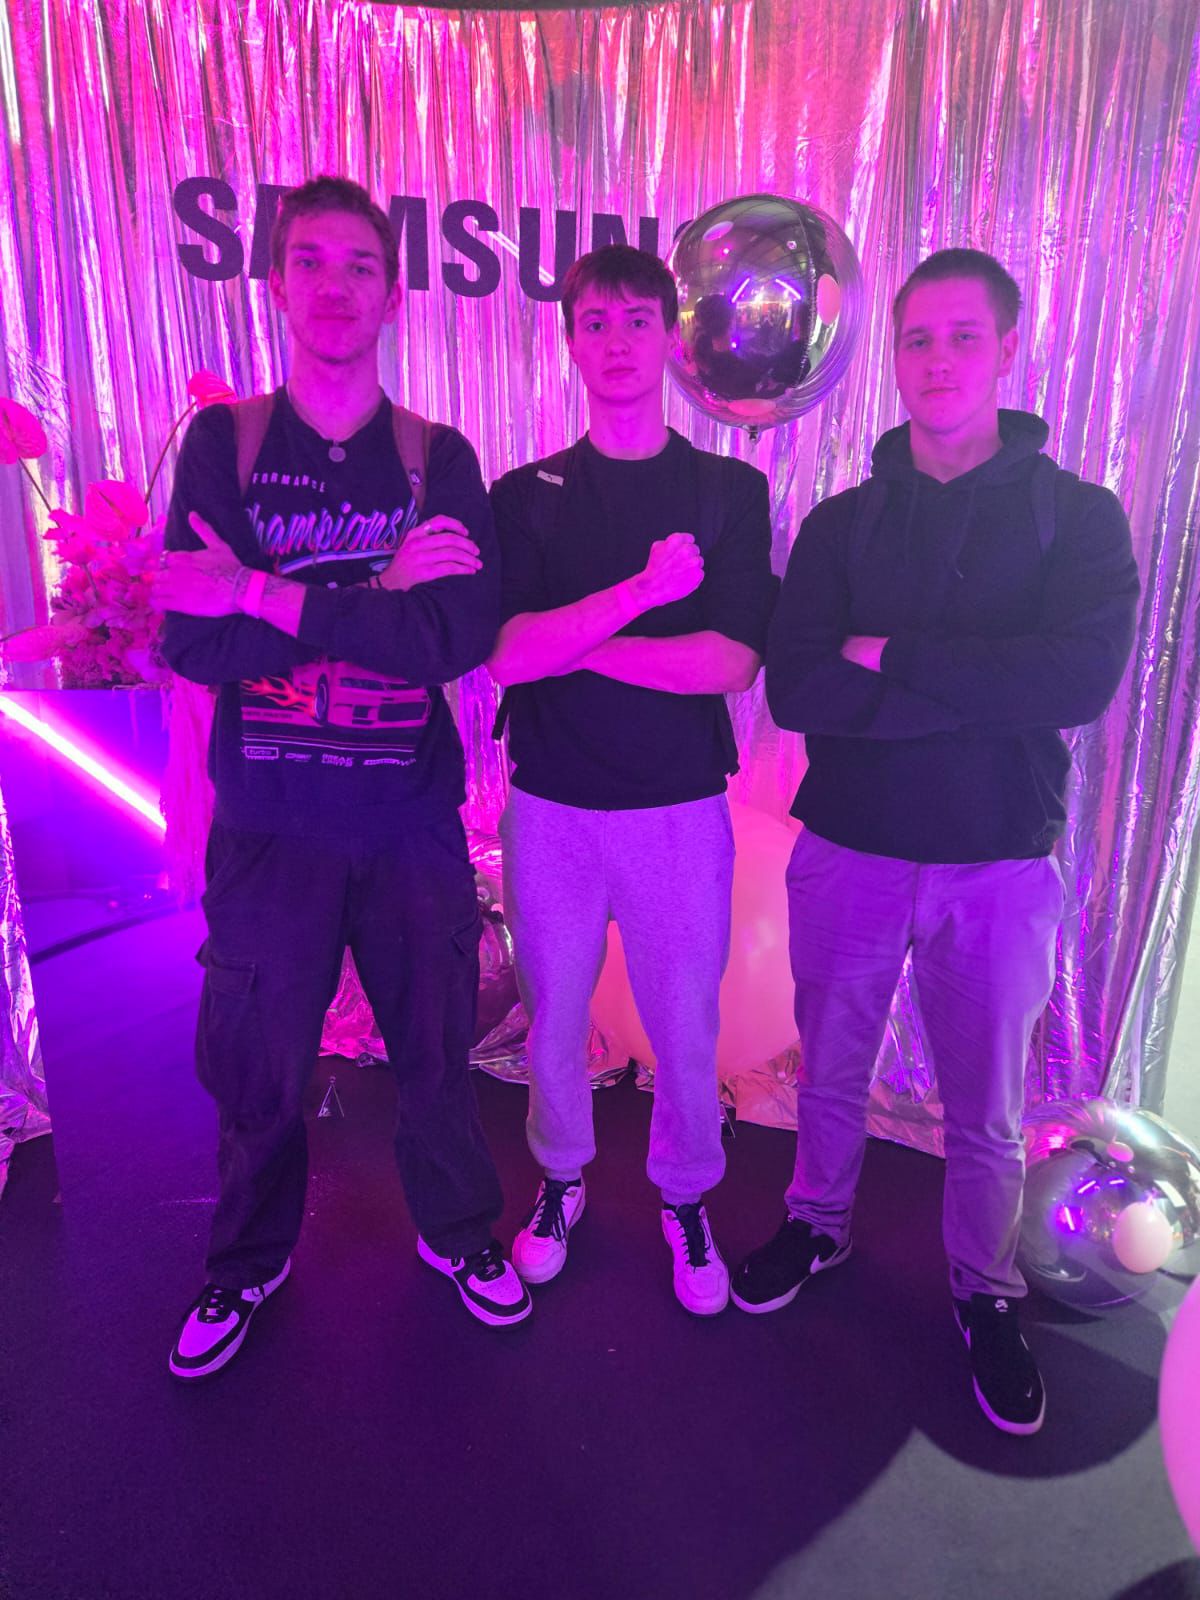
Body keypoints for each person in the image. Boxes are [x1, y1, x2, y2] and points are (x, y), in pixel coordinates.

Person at [731, 248, 1139, 1433]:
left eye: (964, 337)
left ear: (1007, 350)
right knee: (830, 1071)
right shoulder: (843, 523)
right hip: (851, 849)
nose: (939, 360)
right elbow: (802, 687)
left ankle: (984, 1288)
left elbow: (1076, 682)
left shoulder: (1077, 518)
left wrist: (895, 657)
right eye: (918, 339)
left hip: (1000, 862)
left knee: (987, 1110)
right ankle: (816, 1223)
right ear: (894, 356)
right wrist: (980, 687)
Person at [152, 175, 530, 1381]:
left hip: (409, 823)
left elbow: (450, 641)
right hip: (271, 825)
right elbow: (192, 637)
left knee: (436, 1050)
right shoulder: (226, 443)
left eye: (360, 264)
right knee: (257, 1061)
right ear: (275, 283)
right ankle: (244, 1259)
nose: (334, 285)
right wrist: (375, 593)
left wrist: (259, 589)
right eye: (310, 261)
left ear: (393, 294)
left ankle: (459, 1232)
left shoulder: (436, 457)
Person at [487, 244, 777, 1315]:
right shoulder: (526, 496)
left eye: (636, 321)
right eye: (595, 323)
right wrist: (641, 595)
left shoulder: (727, 490)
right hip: (552, 809)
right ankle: (561, 1181)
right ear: (571, 342)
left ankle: (686, 1195)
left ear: (670, 339)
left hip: (677, 809)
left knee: (686, 1030)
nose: (616, 342)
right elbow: (506, 657)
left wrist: (574, 640)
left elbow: (729, 663)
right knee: (554, 1021)